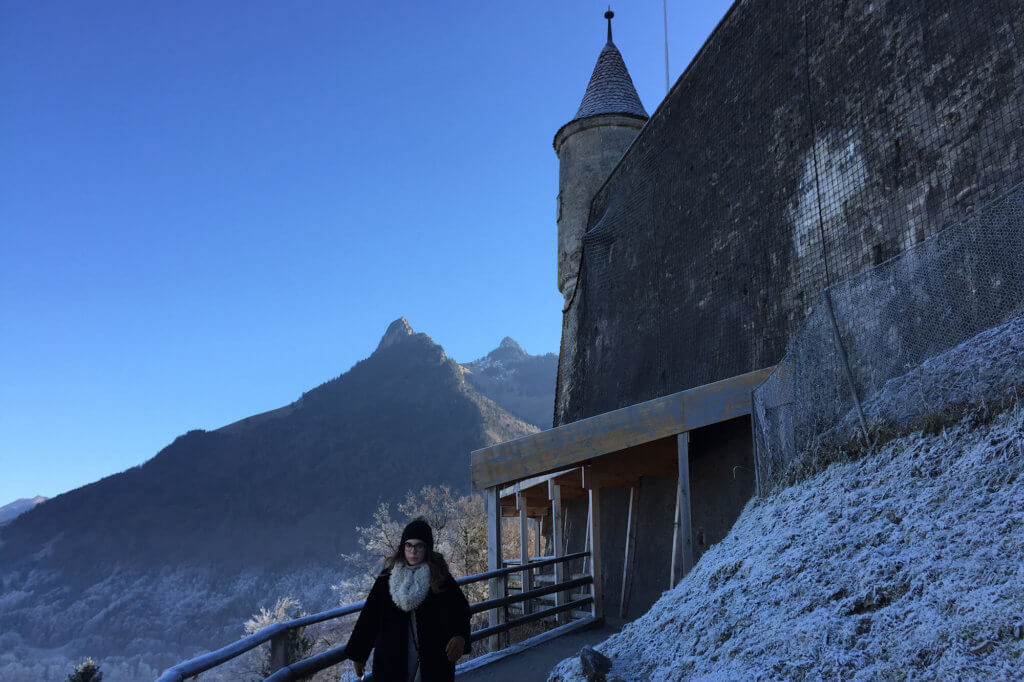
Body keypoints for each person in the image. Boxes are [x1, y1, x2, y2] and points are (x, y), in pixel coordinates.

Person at [346, 518, 471, 681]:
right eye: (409, 545)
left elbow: (461, 610)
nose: (413, 551)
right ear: (402, 547)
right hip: (391, 663)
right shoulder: (387, 578)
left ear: (427, 548)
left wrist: (460, 636)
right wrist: (359, 653)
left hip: (433, 662)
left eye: (419, 546)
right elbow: (370, 617)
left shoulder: (439, 578)